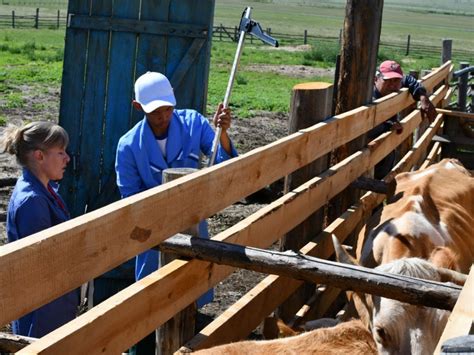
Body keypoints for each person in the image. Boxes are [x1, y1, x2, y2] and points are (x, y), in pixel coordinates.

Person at [115, 71, 238, 352]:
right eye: (156, 112)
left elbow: (224, 163)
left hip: (194, 233)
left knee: (190, 303)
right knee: (152, 302)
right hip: (152, 240)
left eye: (168, 108)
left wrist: (224, 133)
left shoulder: (194, 123)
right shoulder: (128, 147)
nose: (164, 116)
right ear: (138, 108)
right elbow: (131, 201)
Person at [2, 121, 79, 338]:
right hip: (43, 308)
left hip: (52, 301)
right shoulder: (33, 201)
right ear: (39, 156)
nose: (67, 159)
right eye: (61, 152)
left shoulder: (43, 188)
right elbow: (41, 261)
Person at [371, 60, 437, 179]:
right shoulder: (368, 96)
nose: (392, 85)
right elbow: (364, 126)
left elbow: (409, 80)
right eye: (387, 80)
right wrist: (388, 125)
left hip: (386, 149)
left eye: (396, 80)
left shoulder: (397, 84)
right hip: (369, 151)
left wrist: (423, 97)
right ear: (376, 79)